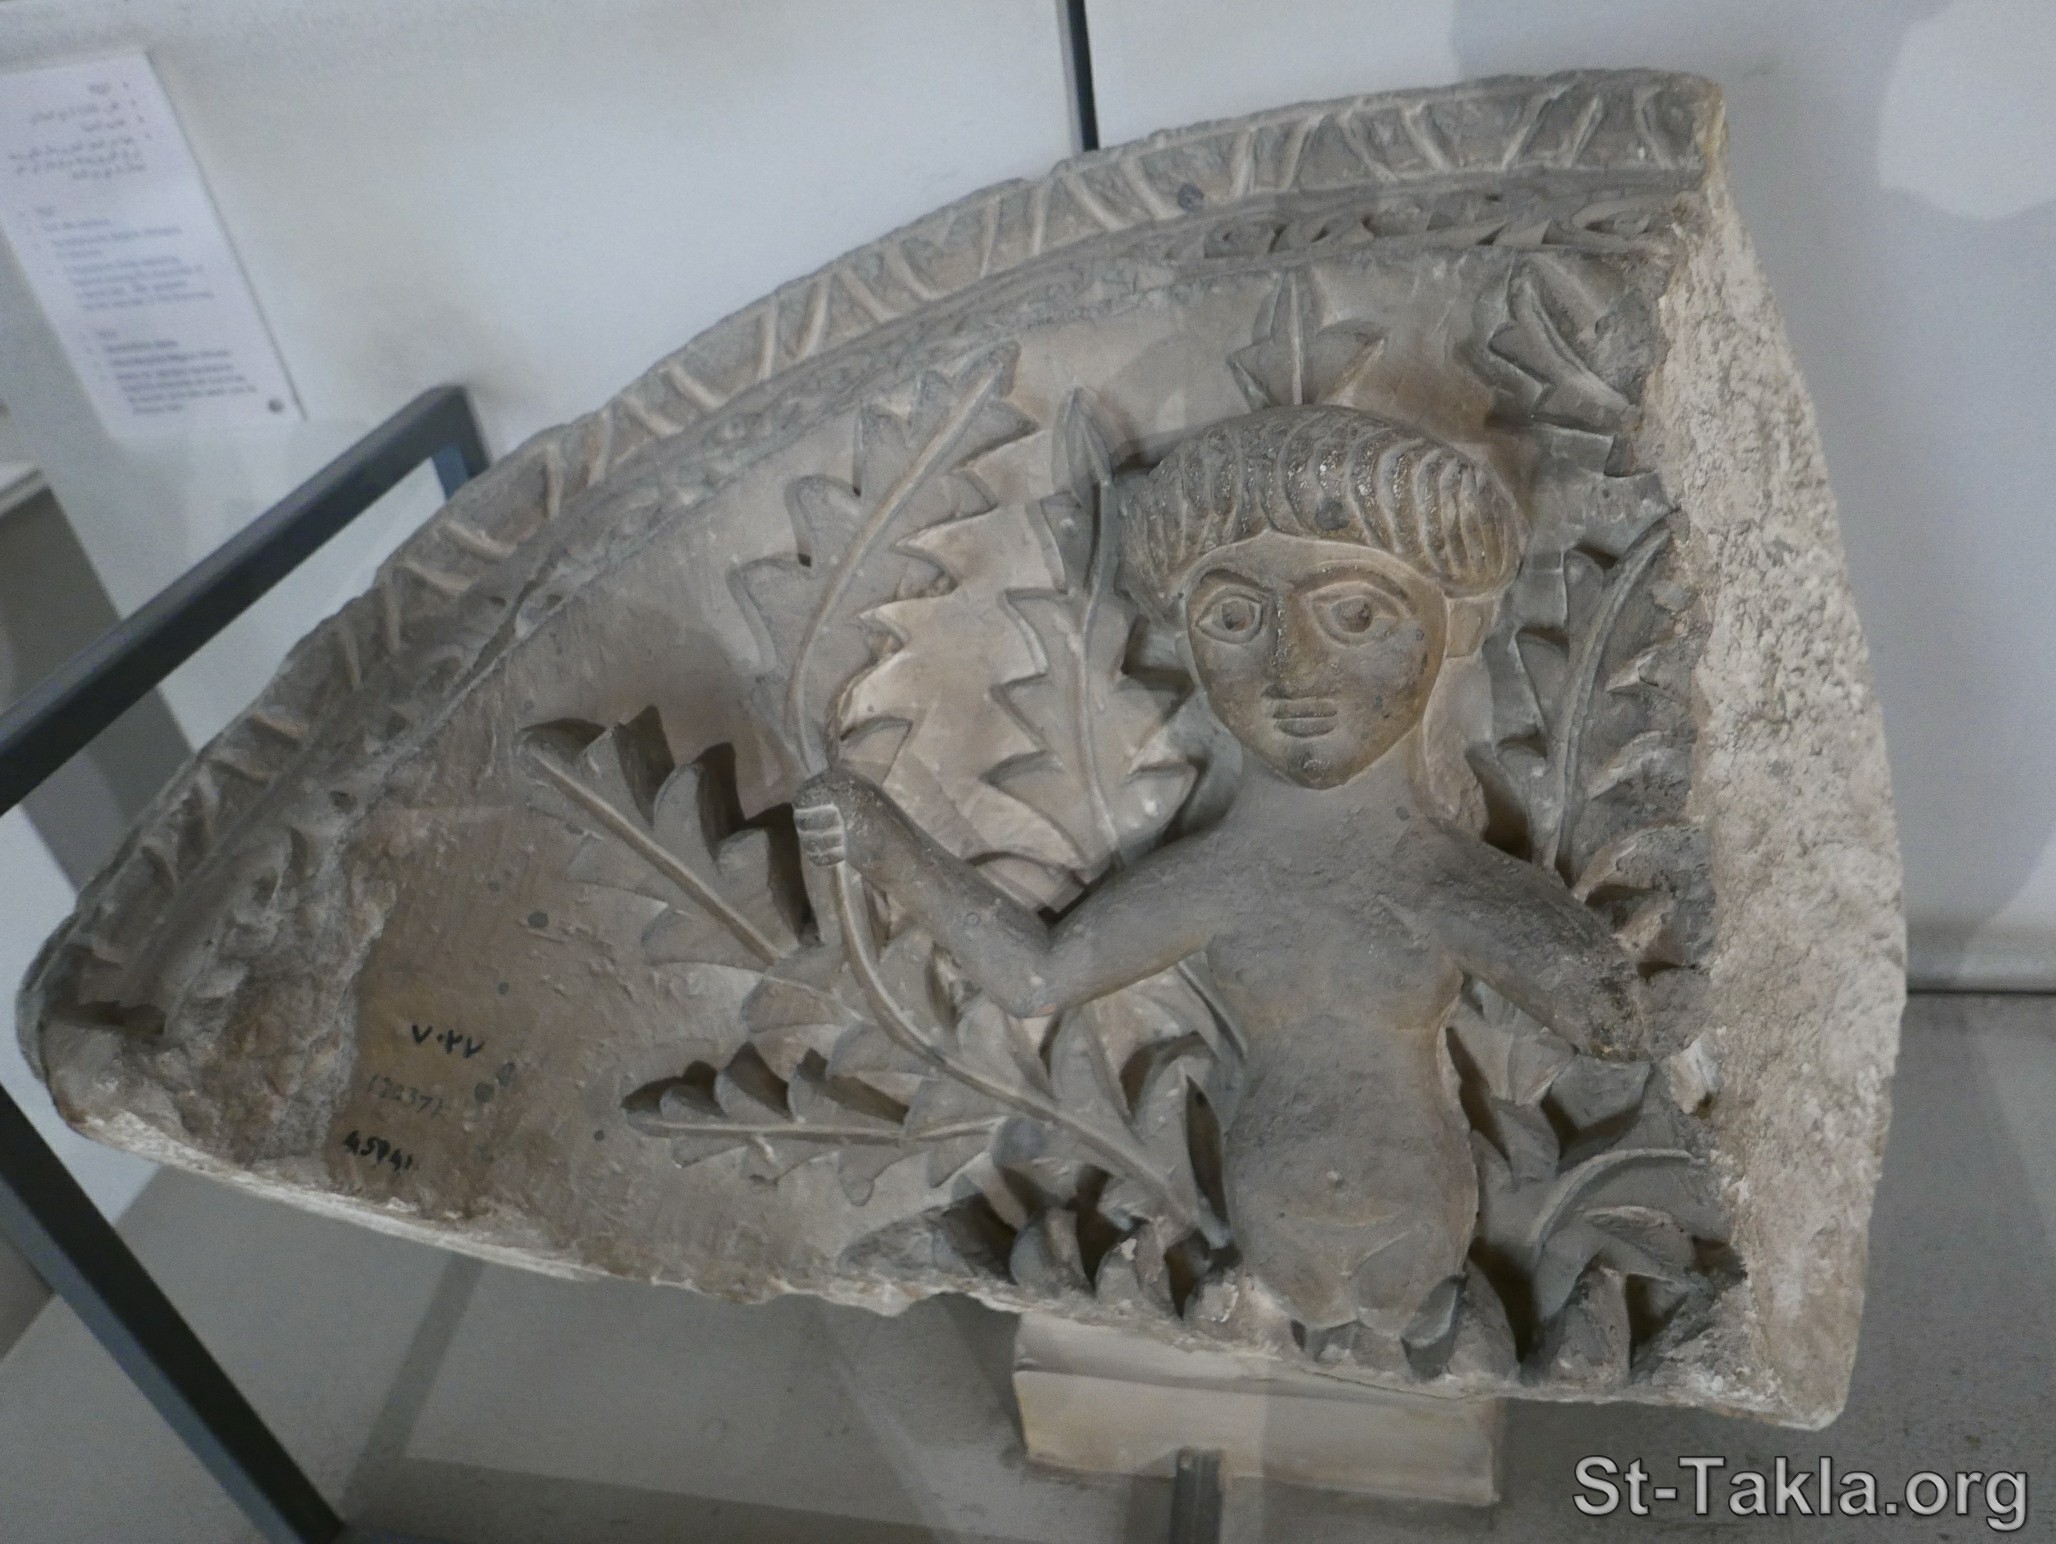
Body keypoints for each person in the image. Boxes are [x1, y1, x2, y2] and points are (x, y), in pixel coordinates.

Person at [796, 404, 1640, 1358]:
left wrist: (1603, 981)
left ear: (1461, 624)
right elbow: (1039, 977)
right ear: (1181, 644)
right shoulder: (1222, 880)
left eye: (1356, 616)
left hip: (1420, 1228)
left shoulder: (1436, 879)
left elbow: (1602, 1014)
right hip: (1267, 1233)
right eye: (1234, 619)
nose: (1293, 669)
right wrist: (884, 844)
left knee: (1445, 1356)